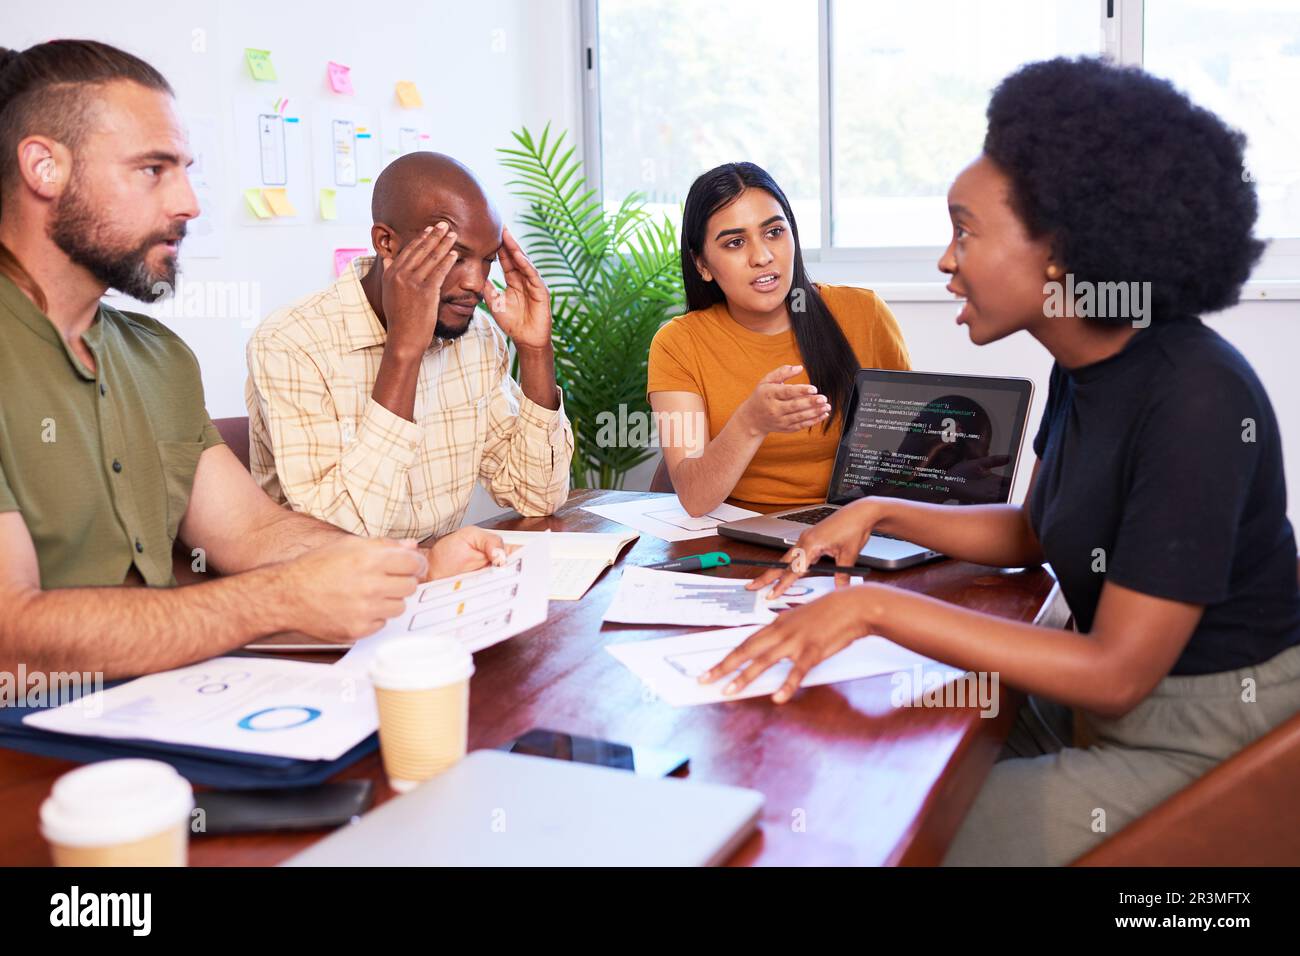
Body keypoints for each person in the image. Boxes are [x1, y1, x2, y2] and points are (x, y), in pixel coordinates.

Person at [699, 57, 1300, 865]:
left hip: (1200, 742)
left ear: (1060, 248)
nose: (946, 260)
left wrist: (874, 608)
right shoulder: (1083, 365)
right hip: (1107, 715)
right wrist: (878, 512)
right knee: (845, 759)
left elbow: (1118, 670)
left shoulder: (1197, 397)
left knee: (867, 832)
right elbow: (1032, 532)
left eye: (964, 230)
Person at [0, 40, 503, 680]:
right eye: (153, 169)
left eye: (186, 169)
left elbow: (253, 533)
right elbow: (10, 636)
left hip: (164, 709)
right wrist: (277, 599)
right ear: (45, 168)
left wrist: (414, 564)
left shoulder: (155, 359)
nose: (189, 202)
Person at [245, 152, 574, 539]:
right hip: (324, 591)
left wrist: (535, 351)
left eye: (487, 261)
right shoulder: (290, 344)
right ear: (386, 242)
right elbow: (339, 539)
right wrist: (404, 350)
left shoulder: (478, 336)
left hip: (437, 582)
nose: (475, 282)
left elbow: (538, 496)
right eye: (456, 256)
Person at [647, 162, 910, 516]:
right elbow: (695, 498)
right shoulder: (678, 344)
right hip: (737, 536)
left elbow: (908, 445)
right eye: (735, 242)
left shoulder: (864, 313)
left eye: (773, 232)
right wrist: (750, 423)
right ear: (702, 265)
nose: (763, 256)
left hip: (853, 526)